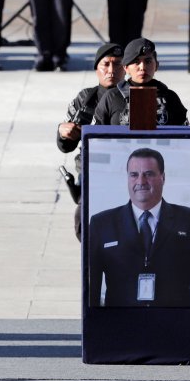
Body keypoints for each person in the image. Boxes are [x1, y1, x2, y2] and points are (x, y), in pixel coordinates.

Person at [88, 148, 190, 307]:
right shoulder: (102, 224)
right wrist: (95, 327)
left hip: (174, 325)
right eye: (134, 175)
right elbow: (92, 287)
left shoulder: (189, 220)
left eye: (149, 174)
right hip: (120, 325)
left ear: (163, 178)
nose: (141, 181)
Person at [57, 42, 124, 240]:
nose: (112, 70)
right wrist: (63, 133)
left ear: (126, 68)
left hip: (127, 172)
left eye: (118, 64)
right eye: (106, 64)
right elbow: (65, 146)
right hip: (92, 172)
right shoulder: (86, 99)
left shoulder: (135, 96)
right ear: (97, 68)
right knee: (85, 227)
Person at [93, 38, 189, 126]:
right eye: (136, 62)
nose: (142, 67)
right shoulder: (112, 98)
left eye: (148, 61)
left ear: (157, 66)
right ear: (126, 68)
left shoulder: (170, 98)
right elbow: (93, 137)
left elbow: (187, 138)